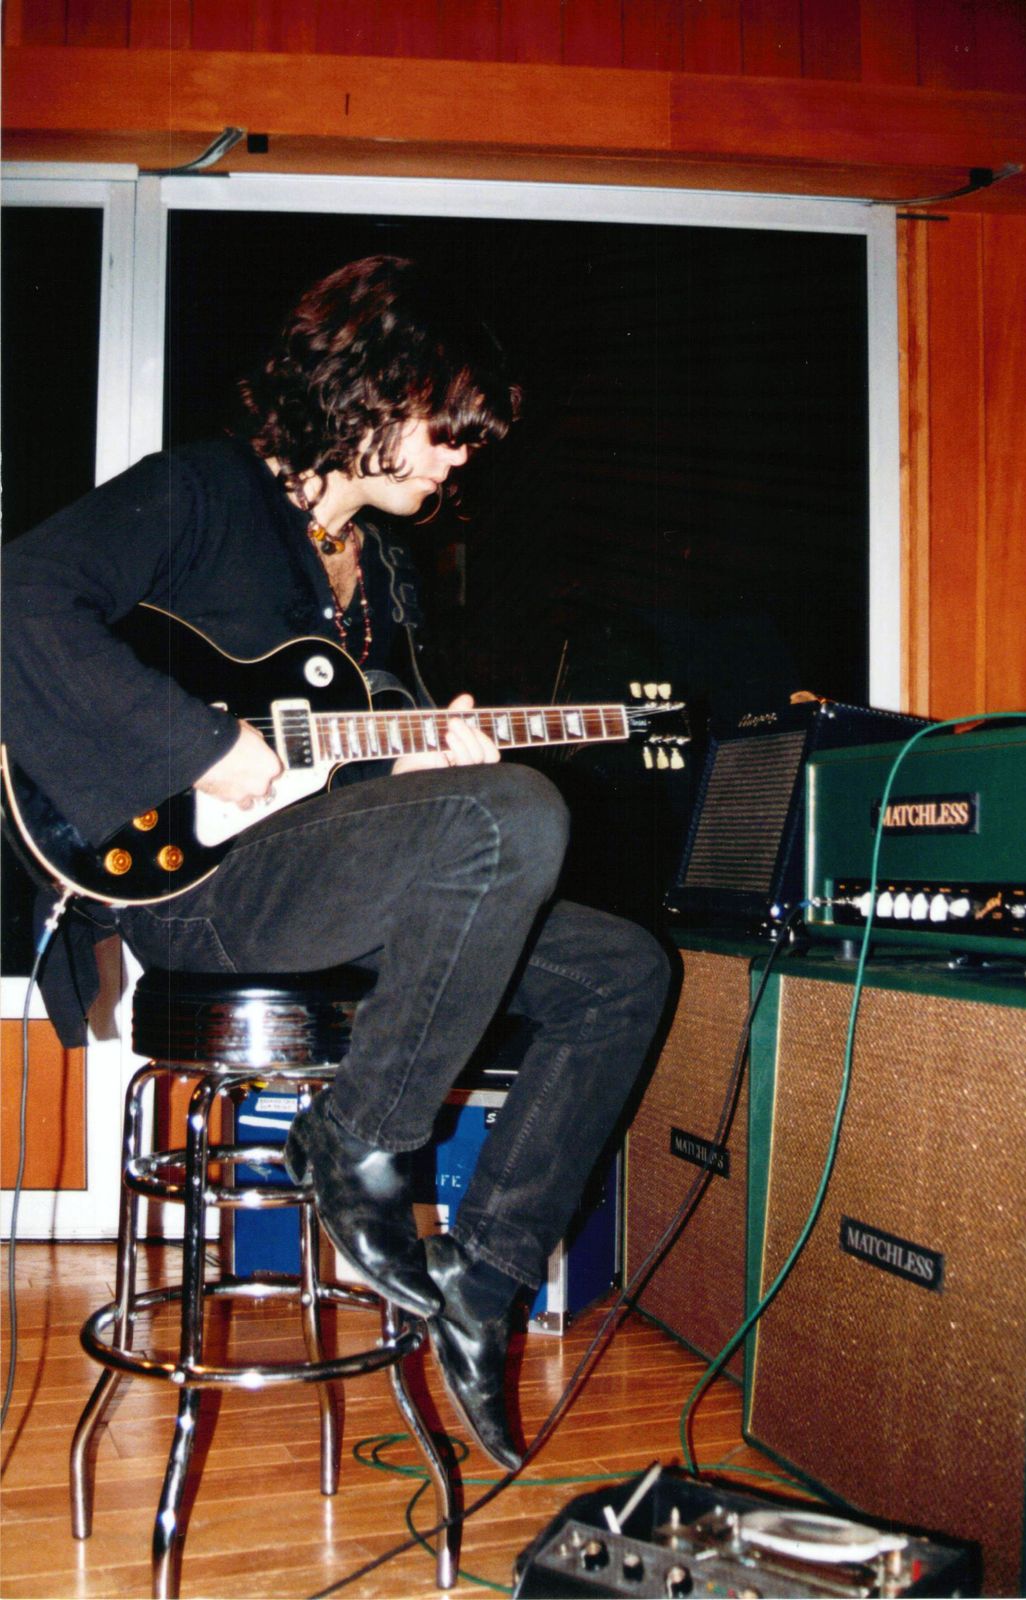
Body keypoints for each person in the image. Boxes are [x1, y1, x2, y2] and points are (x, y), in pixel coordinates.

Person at [2, 255, 670, 1470]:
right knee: (510, 816)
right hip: (199, 890)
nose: (460, 460)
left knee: (621, 972)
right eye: (449, 428)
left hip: (331, 884)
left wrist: (425, 755)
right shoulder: (202, 491)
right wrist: (204, 746)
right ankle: (354, 1139)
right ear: (376, 386)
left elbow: (353, 770)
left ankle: (483, 1278)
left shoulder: (386, 576)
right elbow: (19, 601)